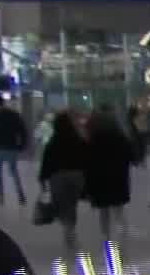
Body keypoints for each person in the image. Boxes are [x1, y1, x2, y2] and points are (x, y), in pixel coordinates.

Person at [36, 111, 89, 253]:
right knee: (71, 205)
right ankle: (70, 230)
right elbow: (87, 158)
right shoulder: (78, 139)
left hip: (57, 178)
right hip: (76, 176)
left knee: (61, 205)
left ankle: (68, 230)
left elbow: (46, 163)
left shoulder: (53, 142)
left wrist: (42, 180)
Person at [83, 106, 137, 242]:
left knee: (103, 210)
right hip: (118, 178)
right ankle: (121, 234)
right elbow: (131, 156)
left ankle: (105, 236)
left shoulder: (92, 139)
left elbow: (84, 161)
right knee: (118, 210)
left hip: (99, 180)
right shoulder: (120, 137)